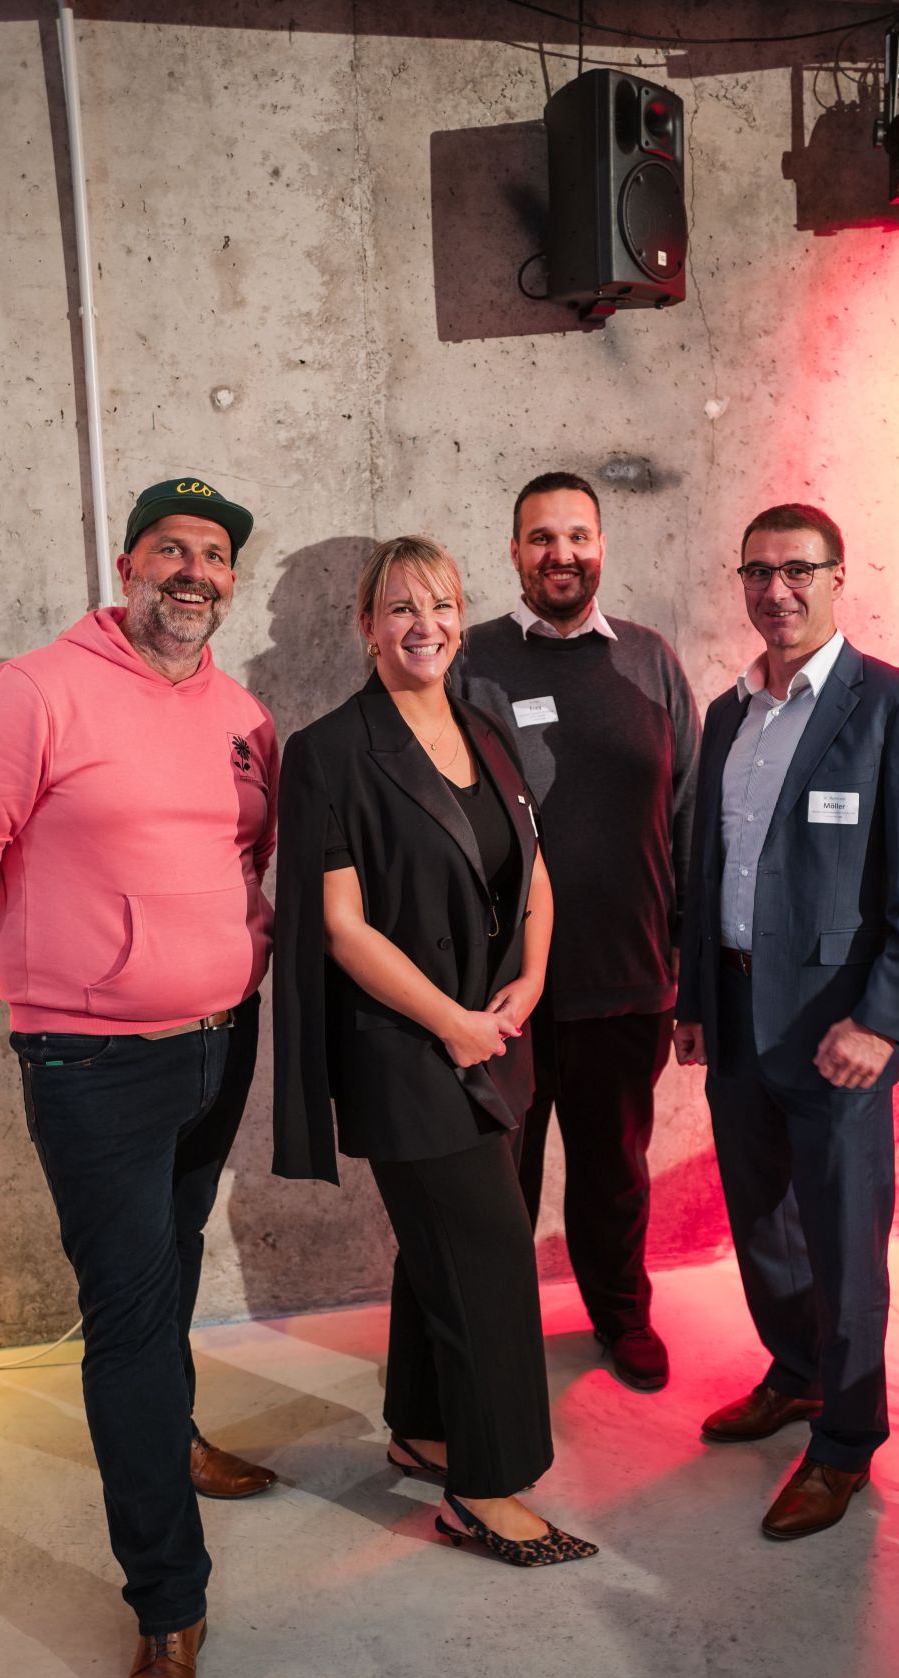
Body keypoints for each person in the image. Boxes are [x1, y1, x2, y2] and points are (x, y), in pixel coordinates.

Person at [0, 478, 280, 1678]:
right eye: (171, 547)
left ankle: (174, 1440)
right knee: (125, 1318)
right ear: (128, 566)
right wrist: (53, 973)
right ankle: (169, 1610)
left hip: (218, 1047)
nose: (194, 571)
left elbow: (247, 861)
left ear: (230, 579)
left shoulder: (243, 715)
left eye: (214, 554)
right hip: (94, 1066)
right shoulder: (30, 694)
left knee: (170, 1265)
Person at [272, 534, 597, 1568]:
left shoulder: (483, 725)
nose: (427, 625)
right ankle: (484, 1489)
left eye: (443, 605)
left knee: (439, 1254)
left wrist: (531, 979)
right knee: (489, 1260)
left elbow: (532, 869)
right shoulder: (327, 751)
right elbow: (340, 926)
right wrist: (453, 1022)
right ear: (366, 626)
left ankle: (422, 1429)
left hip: (496, 1038)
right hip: (406, 1051)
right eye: (403, 607)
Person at [674, 502, 899, 1539]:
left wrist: (880, 1023)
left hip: (837, 1030)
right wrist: (695, 1000)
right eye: (757, 571)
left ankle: (845, 1440)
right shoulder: (727, 714)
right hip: (735, 1011)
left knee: (842, 1244)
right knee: (761, 1220)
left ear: (837, 576)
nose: (776, 590)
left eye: (797, 569)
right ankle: (795, 1372)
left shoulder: (895, 704)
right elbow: (707, 868)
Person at [451, 473, 700, 1392]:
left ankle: (621, 1315)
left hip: (627, 976)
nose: (561, 554)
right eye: (541, 537)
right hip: (501, 987)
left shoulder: (650, 660)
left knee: (615, 1171)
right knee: (496, 1182)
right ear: (514, 550)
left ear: (600, 546)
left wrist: (689, 965)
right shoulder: (468, 660)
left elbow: (691, 816)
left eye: (577, 536)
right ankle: (497, 1335)